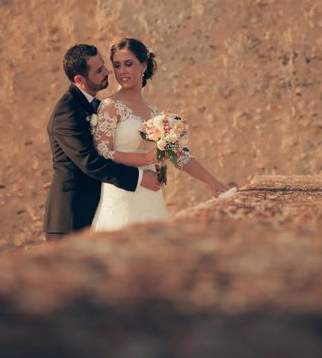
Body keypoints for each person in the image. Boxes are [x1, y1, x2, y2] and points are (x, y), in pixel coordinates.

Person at [91, 38, 228, 231]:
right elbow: (103, 151)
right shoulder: (110, 106)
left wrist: (212, 182)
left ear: (144, 66)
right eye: (117, 65)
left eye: (128, 64)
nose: (122, 71)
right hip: (122, 194)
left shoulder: (155, 113)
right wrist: (145, 159)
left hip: (151, 196)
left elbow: (178, 156)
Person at [44, 44, 161, 241]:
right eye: (99, 70)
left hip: (99, 209)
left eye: (104, 65)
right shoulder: (66, 113)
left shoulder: (98, 106)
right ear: (80, 80)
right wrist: (140, 178)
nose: (108, 71)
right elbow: (90, 162)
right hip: (71, 218)